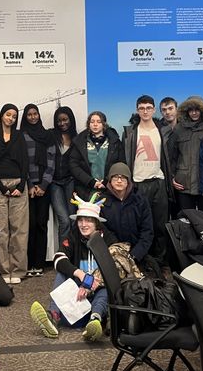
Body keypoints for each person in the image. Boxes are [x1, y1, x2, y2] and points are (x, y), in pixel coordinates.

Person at [30, 196, 116, 341]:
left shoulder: (109, 240)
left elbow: (114, 270)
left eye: (88, 220)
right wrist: (80, 274)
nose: (83, 224)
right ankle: (53, 316)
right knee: (61, 273)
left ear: (96, 223)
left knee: (106, 288)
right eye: (80, 220)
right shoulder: (73, 235)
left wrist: (89, 284)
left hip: (97, 290)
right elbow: (58, 258)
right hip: (77, 296)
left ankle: (95, 320)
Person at [121, 95, 173, 263]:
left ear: (154, 110)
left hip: (158, 181)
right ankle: (142, 261)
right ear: (137, 110)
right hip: (138, 183)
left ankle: (160, 262)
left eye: (148, 108)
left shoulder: (162, 130)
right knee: (140, 225)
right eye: (142, 108)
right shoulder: (130, 132)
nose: (145, 111)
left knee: (160, 225)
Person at [0, 104, 29, 285]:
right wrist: (2, 188)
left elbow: (25, 162)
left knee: (19, 230)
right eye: (8, 114)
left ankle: (18, 270)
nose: (11, 118)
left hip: (18, 184)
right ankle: (3, 270)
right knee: (0, 230)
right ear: (2, 115)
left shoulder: (19, 136)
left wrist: (22, 185)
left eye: (14, 116)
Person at [20, 103, 55, 277]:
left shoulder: (48, 136)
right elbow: (22, 162)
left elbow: (52, 162)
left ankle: (39, 263)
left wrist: (43, 185)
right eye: (29, 114)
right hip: (28, 187)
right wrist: (29, 185)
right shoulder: (21, 135)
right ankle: (29, 263)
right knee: (29, 225)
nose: (33, 117)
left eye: (35, 114)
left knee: (41, 224)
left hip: (44, 187)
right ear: (25, 117)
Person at [100, 162, 154, 265]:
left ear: (128, 181)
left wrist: (135, 255)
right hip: (112, 254)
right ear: (110, 180)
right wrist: (119, 252)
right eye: (115, 177)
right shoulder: (102, 202)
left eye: (123, 178)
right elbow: (103, 231)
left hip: (138, 255)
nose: (119, 181)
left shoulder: (140, 200)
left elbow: (147, 231)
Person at [168, 96, 203, 213]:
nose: (194, 113)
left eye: (197, 110)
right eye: (190, 110)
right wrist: (172, 177)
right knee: (186, 218)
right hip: (184, 184)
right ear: (186, 111)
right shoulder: (178, 129)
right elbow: (172, 156)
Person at [69, 111, 125, 202]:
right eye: (92, 122)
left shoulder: (115, 142)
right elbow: (73, 165)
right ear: (88, 124)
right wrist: (90, 181)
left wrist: (107, 181)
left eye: (99, 122)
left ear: (104, 124)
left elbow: (120, 164)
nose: (95, 124)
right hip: (86, 189)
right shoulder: (79, 142)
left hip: (110, 188)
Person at [49, 106, 77, 247]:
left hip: (70, 181)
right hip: (54, 183)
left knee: (73, 219)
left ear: (70, 119)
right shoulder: (51, 135)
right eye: (59, 120)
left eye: (65, 119)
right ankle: (63, 254)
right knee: (64, 220)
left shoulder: (77, 138)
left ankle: (74, 253)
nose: (62, 123)